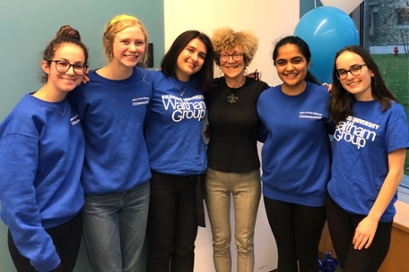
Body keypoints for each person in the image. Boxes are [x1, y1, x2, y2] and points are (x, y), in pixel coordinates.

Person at [0, 26, 88, 272]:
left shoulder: (69, 104)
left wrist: (81, 81)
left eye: (78, 66)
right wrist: (41, 253)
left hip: (69, 224)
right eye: (62, 64)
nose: (70, 71)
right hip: (38, 236)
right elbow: (15, 195)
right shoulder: (25, 119)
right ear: (45, 66)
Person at [68, 14, 153, 272]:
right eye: (125, 41)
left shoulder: (148, 81)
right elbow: (71, 136)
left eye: (139, 43)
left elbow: (182, 81)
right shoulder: (85, 86)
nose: (132, 48)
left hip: (138, 190)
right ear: (109, 43)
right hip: (97, 196)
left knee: (132, 266)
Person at [326, 45, 409, 272]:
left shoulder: (393, 112)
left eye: (355, 68)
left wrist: (372, 219)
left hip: (371, 213)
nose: (349, 76)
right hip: (337, 205)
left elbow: (396, 172)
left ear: (371, 70)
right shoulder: (342, 105)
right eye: (342, 72)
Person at [256, 36, 333, 272]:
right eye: (282, 62)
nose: (289, 68)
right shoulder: (266, 98)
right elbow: (264, 134)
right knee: (286, 256)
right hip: (275, 191)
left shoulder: (324, 97)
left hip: (312, 192)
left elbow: (339, 130)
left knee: (308, 258)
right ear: (276, 66)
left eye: (296, 60)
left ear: (308, 63)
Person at [145, 30, 214, 272]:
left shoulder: (202, 86)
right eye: (191, 50)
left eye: (202, 55)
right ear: (178, 49)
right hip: (160, 177)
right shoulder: (152, 81)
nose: (195, 58)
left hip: (193, 176)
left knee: (186, 246)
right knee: (161, 248)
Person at [204, 27, 269, 272]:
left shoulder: (260, 89)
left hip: (248, 178)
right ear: (218, 59)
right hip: (214, 177)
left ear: (246, 57)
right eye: (225, 55)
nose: (231, 60)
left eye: (237, 55)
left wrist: (321, 88)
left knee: (245, 243)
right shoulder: (210, 88)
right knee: (220, 242)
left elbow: (287, 100)